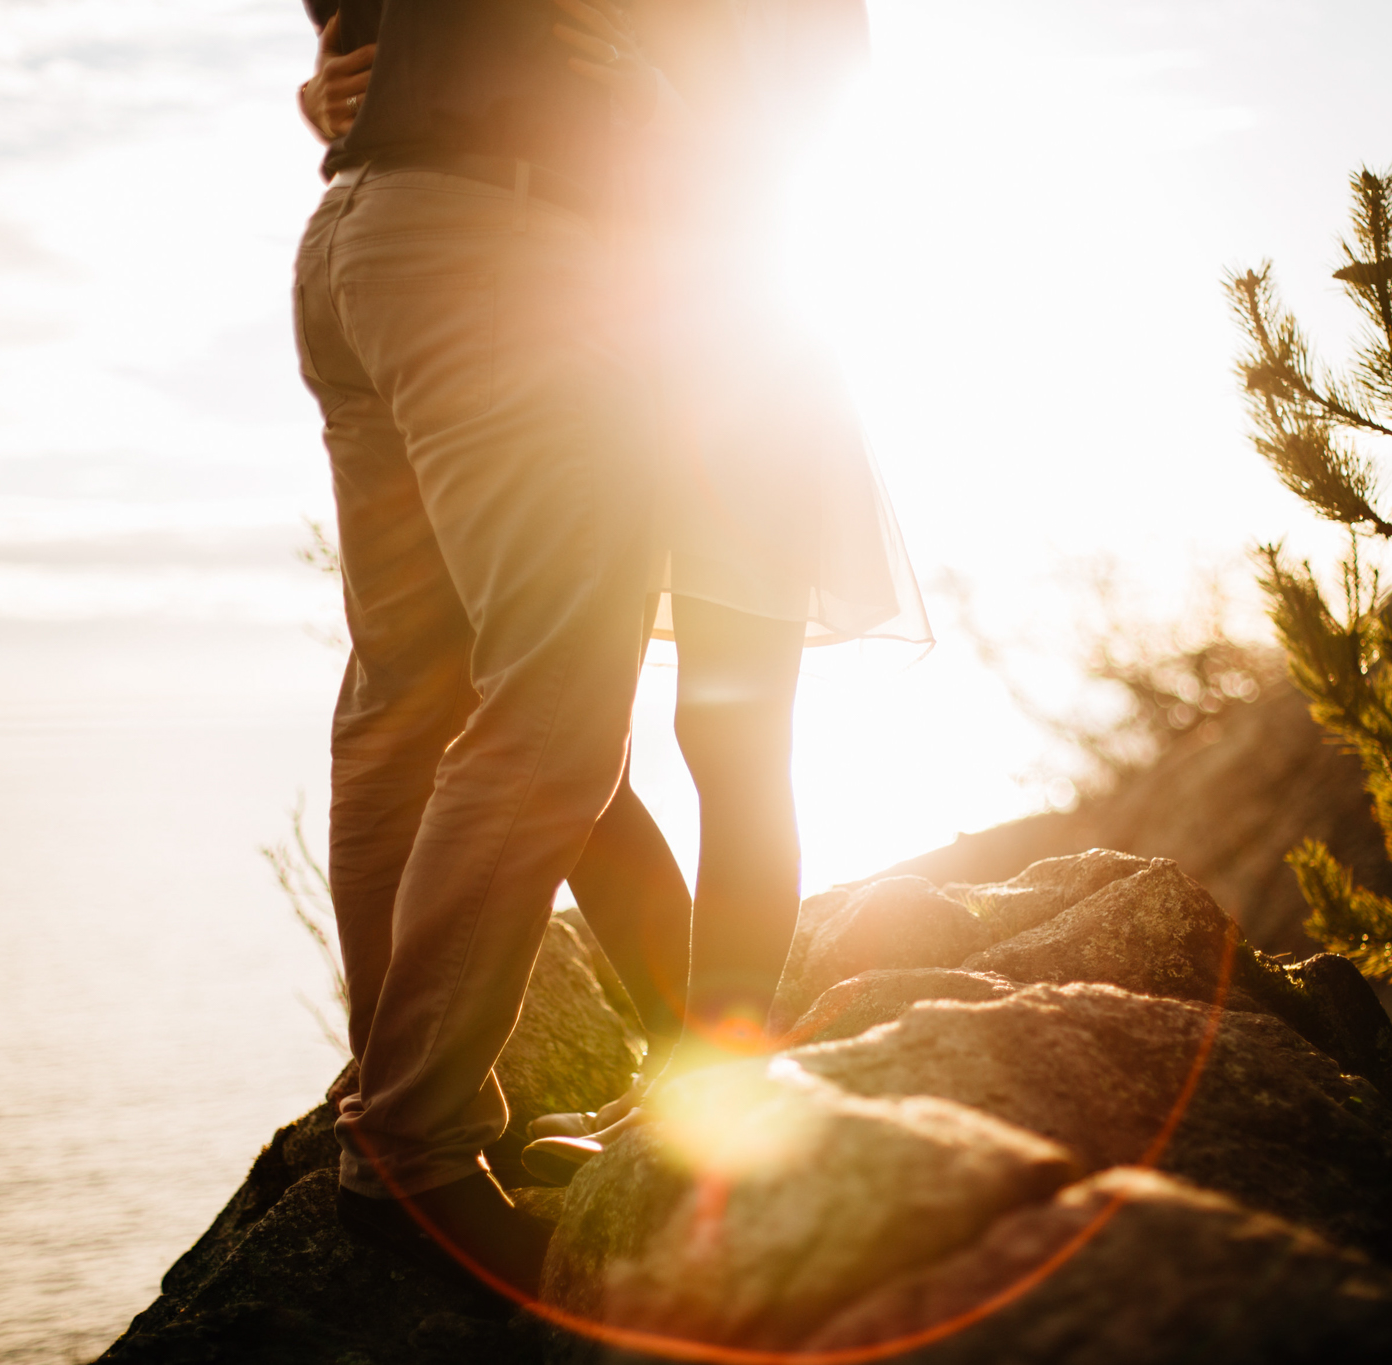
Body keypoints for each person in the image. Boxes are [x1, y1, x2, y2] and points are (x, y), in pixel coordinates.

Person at [290, 0, 928, 1299]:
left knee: (700, 725)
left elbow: (818, 104)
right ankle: (475, 1113)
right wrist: (356, 51)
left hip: (721, 328)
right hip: (553, 285)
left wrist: (673, 90)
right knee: (540, 712)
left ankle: (699, 1075)